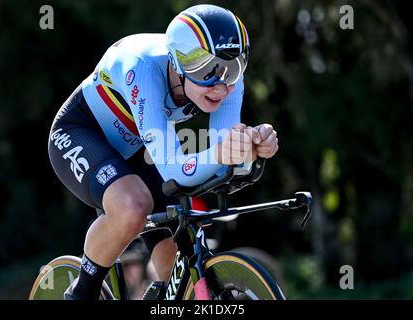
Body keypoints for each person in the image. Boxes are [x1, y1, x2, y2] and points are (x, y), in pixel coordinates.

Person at [48, 4, 279, 300]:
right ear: (178, 64)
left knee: (178, 247)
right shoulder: (143, 68)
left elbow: (221, 162)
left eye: (233, 69)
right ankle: (81, 293)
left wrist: (249, 149)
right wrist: (224, 153)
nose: (221, 85)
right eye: (206, 71)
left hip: (138, 145)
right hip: (80, 133)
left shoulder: (229, 79)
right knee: (133, 207)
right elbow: (176, 170)